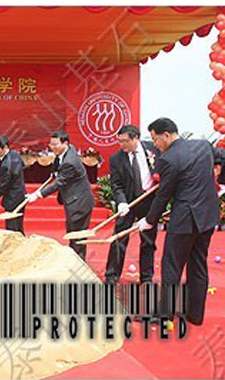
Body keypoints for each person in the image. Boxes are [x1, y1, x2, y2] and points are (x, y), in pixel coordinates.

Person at [138, 118, 224, 325]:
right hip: (207, 217)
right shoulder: (203, 146)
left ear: (166, 135)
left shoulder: (168, 159)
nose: (155, 144)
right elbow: (222, 156)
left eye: (155, 139)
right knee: (198, 264)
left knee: (171, 265)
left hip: (184, 220)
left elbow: (163, 195)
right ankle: (195, 315)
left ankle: (165, 315)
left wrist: (149, 220)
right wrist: (220, 182)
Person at [105, 125, 160, 285]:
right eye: (120, 141)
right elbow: (116, 184)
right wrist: (121, 202)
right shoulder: (116, 158)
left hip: (149, 200)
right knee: (119, 238)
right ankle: (112, 276)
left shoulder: (154, 150)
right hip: (128, 202)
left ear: (136, 138)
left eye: (126, 141)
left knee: (148, 240)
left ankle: (146, 277)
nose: (122, 145)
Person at [29, 131, 95, 260]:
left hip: (79, 202)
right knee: (72, 233)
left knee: (77, 237)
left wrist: (38, 194)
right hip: (73, 200)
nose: (52, 147)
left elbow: (59, 183)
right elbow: (58, 166)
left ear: (65, 143)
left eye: (55, 144)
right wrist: (54, 172)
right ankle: (73, 261)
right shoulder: (67, 151)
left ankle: (78, 264)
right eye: (51, 144)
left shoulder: (70, 162)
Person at [0, 134, 26, 235]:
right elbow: (22, 166)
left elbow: (3, 185)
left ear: (5, 147)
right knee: (19, 226)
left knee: (12, 228)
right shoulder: (15, 154)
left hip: (12, 198)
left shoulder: (6, 164)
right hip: (20, 194)